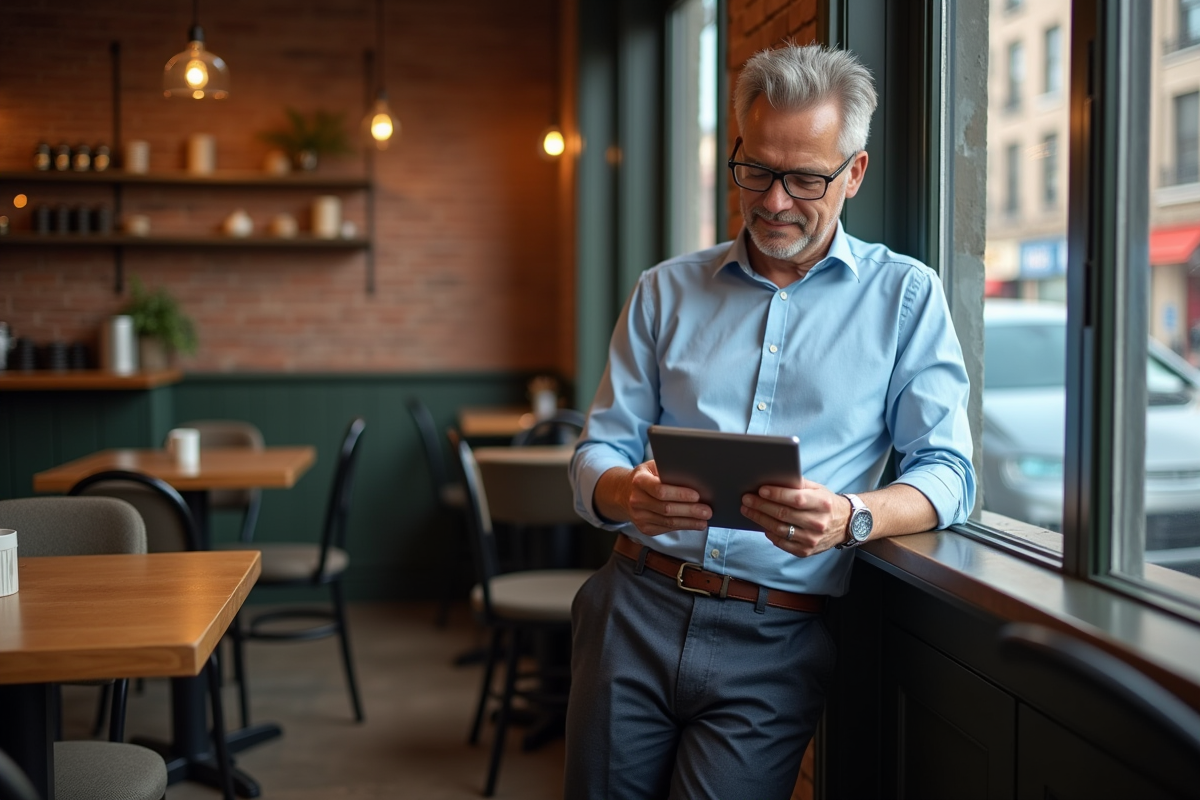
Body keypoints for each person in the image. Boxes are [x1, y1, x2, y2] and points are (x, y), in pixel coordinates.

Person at [564, 43, 976, 800]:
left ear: (854, 173)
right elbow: (598, 451)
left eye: (805, 178)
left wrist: (850, 517)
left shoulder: (906, 299)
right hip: (633, 609)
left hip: (778, 638)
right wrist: (628, 494)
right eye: (755, 169)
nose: (774, 200)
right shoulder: (663, 292)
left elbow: (950, 472)